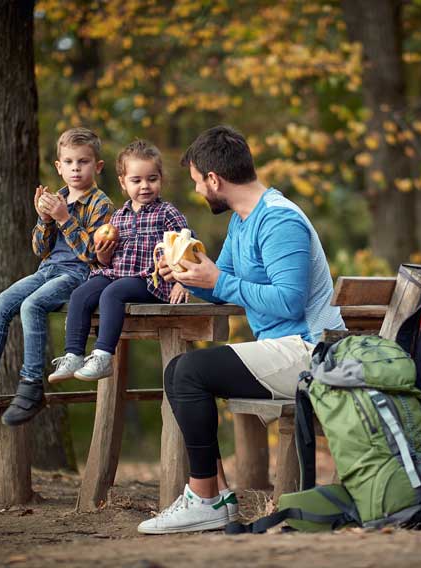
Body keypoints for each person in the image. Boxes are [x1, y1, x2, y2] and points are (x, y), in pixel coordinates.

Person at [137, 125, 345, 535]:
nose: (198, 191)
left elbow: (288, 300)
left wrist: (216, 281)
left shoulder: (279, 220)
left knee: (189, 371)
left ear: (215, 179)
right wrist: (187, 276)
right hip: (282, 350)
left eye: (198, 182)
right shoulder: (242, 221)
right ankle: (211, 497)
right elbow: (224, 286)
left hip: (312, 351)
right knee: (180, 370)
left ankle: (205, 500)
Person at [0, 127, 113, 426]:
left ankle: (31, 387)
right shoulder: (58, 199)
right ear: (59, 166)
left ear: (97, 166)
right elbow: (39, 249)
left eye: (83, 162)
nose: (75, 168)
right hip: (48, 270)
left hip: (79, 275)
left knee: (32, 305)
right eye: (68, 162)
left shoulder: (101, 205)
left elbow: (92, 255)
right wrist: (44, 220)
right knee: (0, 303)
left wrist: (63, 219)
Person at [48, 140, 191, 383]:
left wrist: (184, 283)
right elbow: (108, 260)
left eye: (152, 179)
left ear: (161, 179)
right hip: (117, 274)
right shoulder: (118, 217)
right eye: (136, 180)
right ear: (123, 183)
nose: (145, 186)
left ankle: (103, 355)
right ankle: (73, 354)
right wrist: (103, 256)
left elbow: (188, 247)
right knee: (81, 294)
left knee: (112, 293)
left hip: (150, 280)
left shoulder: (167, 212)